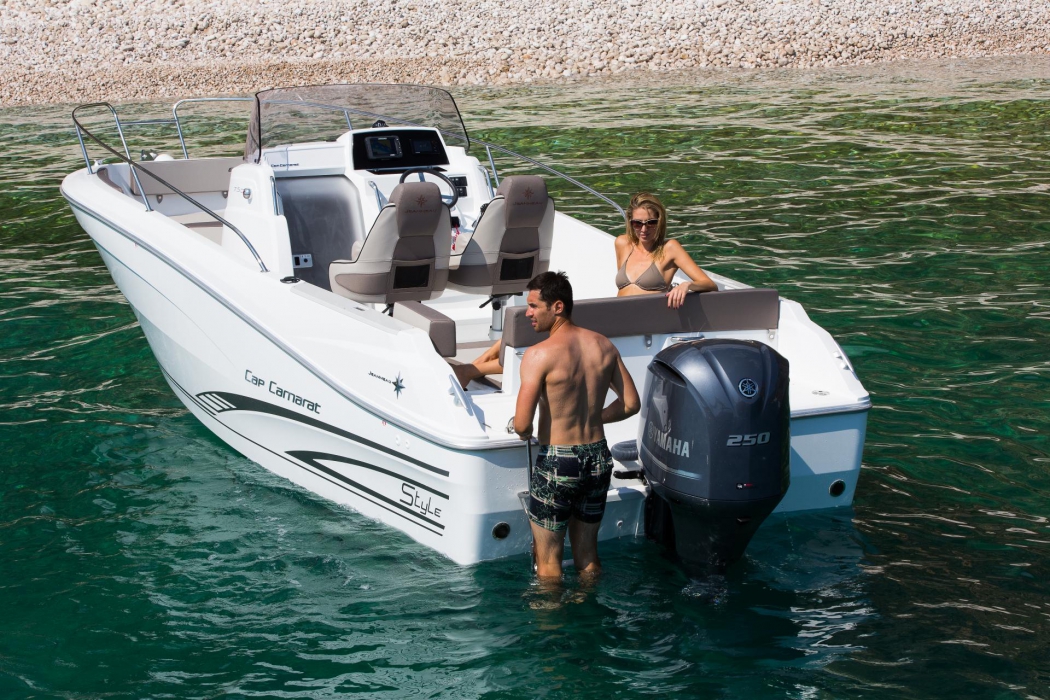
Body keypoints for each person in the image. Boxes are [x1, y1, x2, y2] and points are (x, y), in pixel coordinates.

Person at [512, 271, 640, 578]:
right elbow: (631, 404)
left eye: (533, 305)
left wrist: (523, 429)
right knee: (588, 555)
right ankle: (588, 606)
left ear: (557, 307)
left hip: (559, 461)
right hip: (597, 458)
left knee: (548, 562)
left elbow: (522, 425)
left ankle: (551, 612)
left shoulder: (538, 355)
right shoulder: (603, 345)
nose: (527, 313)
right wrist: (595, 417)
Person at [615, 192, 717, 308]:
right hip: (617, 313)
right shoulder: (622, 243)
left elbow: (710, 285)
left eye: (651, 223)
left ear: (660, 222)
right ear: (630, 222)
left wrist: (687, 285)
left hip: (650, 316)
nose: (644, 229)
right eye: (637, 223)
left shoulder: (670, 248)